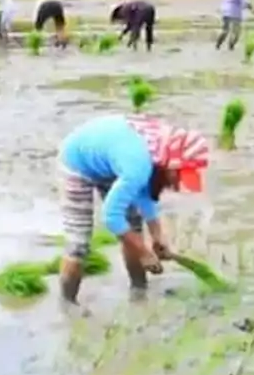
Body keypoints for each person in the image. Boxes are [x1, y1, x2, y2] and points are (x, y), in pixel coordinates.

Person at [56, 114, 210, 303]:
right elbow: (111, 217)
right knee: (78, 244)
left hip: (112, 161)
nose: (178, 183)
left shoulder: (157, 155)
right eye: (179, 176)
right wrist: (144, 252)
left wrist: (157, 235)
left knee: (133, 228)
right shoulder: (138, 165)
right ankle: (67, 305)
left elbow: (144, 193)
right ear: (172, 166)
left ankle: (139, 291)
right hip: (77, 163)